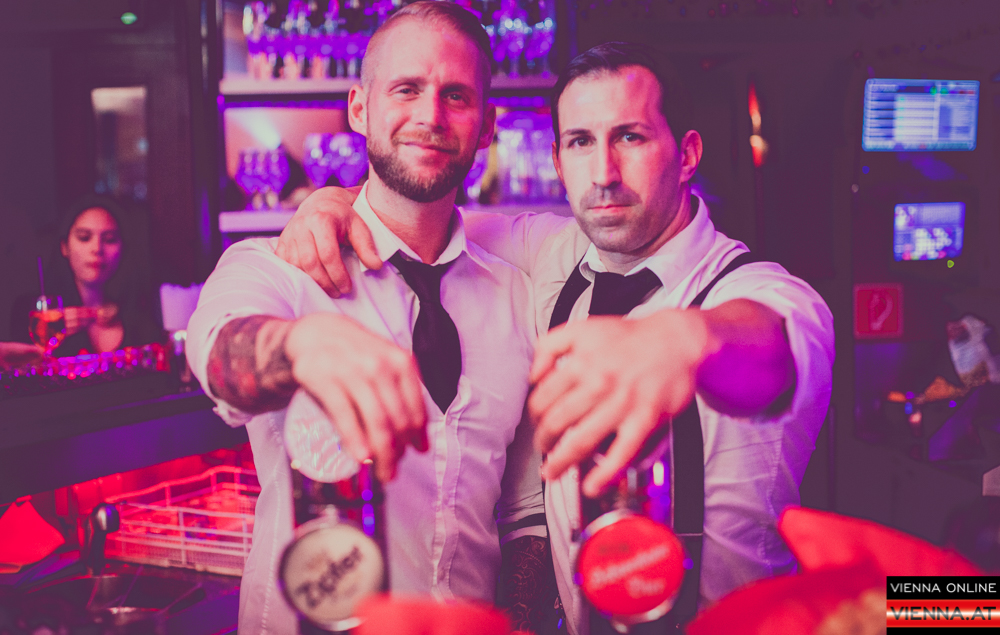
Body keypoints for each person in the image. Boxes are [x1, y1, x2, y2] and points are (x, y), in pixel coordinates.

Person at [275, 43, 834, 634]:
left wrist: (689, 339)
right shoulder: (552, 256)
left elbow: (774, 349)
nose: (604, 174)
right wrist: (331, 203)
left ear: (687, 154)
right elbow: (412, 215)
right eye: (581, 142)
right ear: (558, 162)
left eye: (631, 137)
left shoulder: (761, 292)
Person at [185, 2, 549, 634]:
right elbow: (218, 357)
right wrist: (301, 346)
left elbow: (522, 510)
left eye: (456, 95)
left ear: (488, 125)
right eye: (406, 89)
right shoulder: (277, 268)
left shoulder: (517, 292)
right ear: (359, 108)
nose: (430, 115)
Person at [9, 195, 161, 356]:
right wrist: (45, 339)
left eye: (109, 239)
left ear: (123, 248)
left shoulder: (141, 316)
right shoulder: (35, 315)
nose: (97, 249)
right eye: (84, 238)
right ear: (64, 247)